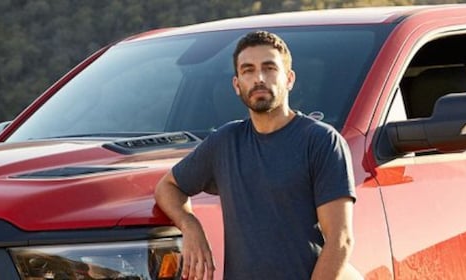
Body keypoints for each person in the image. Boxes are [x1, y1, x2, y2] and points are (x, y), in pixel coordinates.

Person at [153, 30, 357, 280]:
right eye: (248, 70)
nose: (259, 78)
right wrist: (190, 225)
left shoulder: (321, 141)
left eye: (269, 68)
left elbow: (341, 240)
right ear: (237, 84)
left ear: (289, 79)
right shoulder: (225, 142)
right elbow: (168, 187)